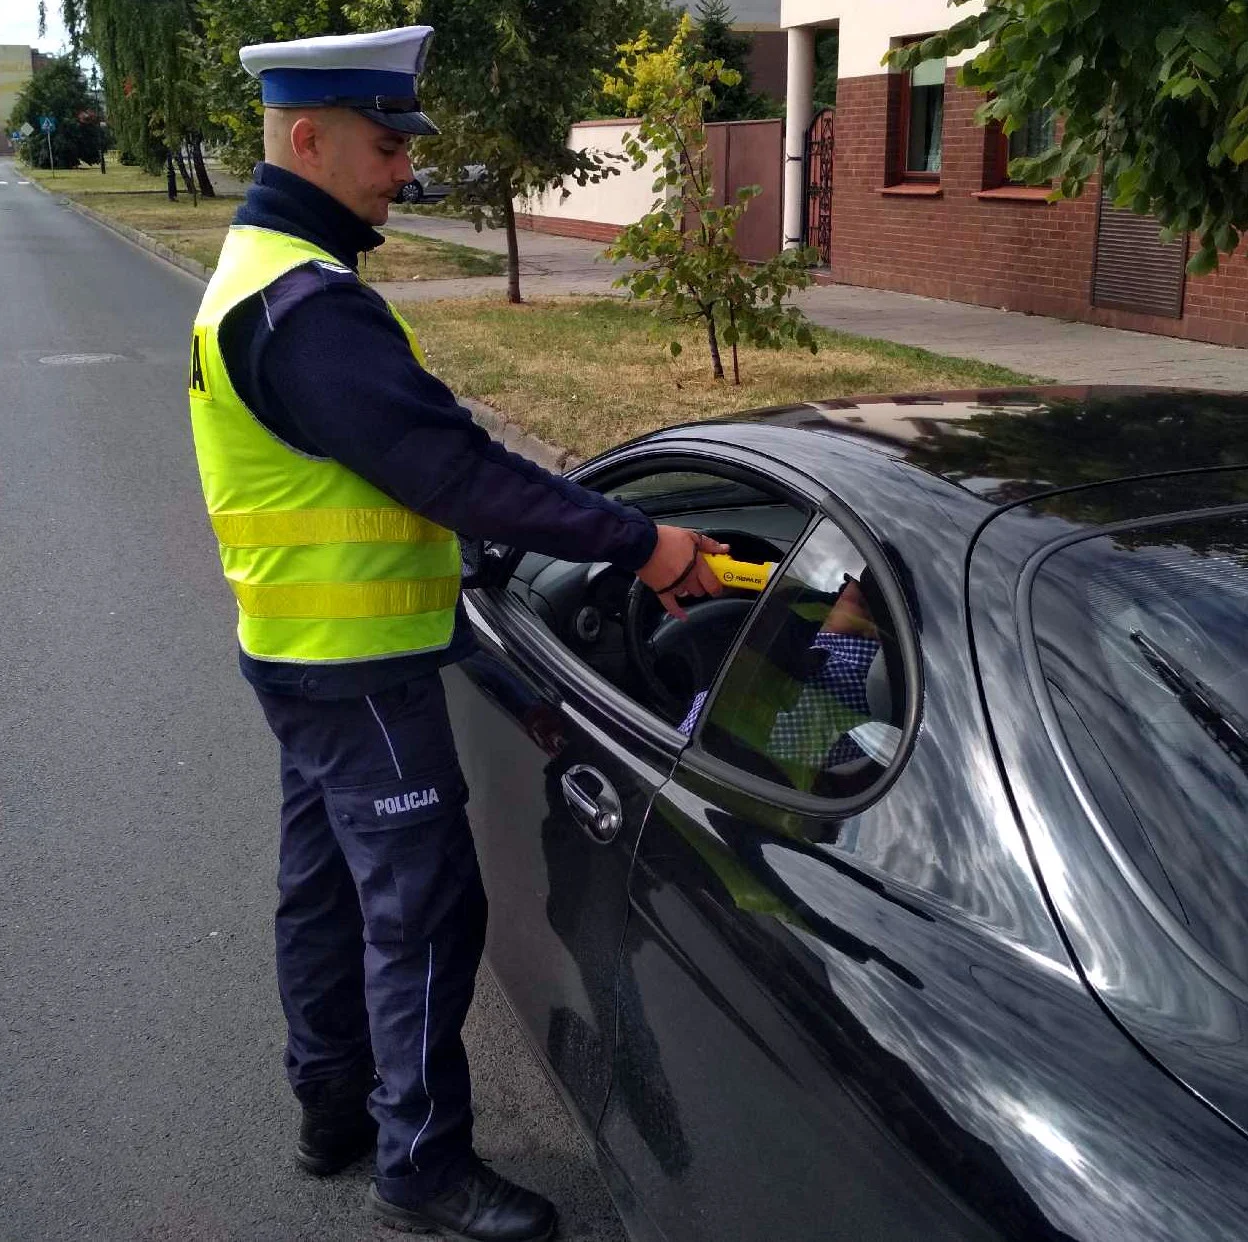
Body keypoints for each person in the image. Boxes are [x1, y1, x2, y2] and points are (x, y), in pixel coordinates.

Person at [185, 25, 727, 1242]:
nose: (403, 172)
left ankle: (334, 1108)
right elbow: (453, 470)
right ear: (307, 137)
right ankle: (422, 1166)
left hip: (300, 656)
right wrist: (644, 544)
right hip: (365, 677)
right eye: (385, 147)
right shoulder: (307, 308)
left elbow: (377, 474)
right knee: (422, 913)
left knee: (322, 894)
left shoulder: (260, 269)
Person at [678, 576, 881, 770]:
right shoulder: (853, 683)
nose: (840, 594)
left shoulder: (710, 711)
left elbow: (677, 759)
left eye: (855, 599)